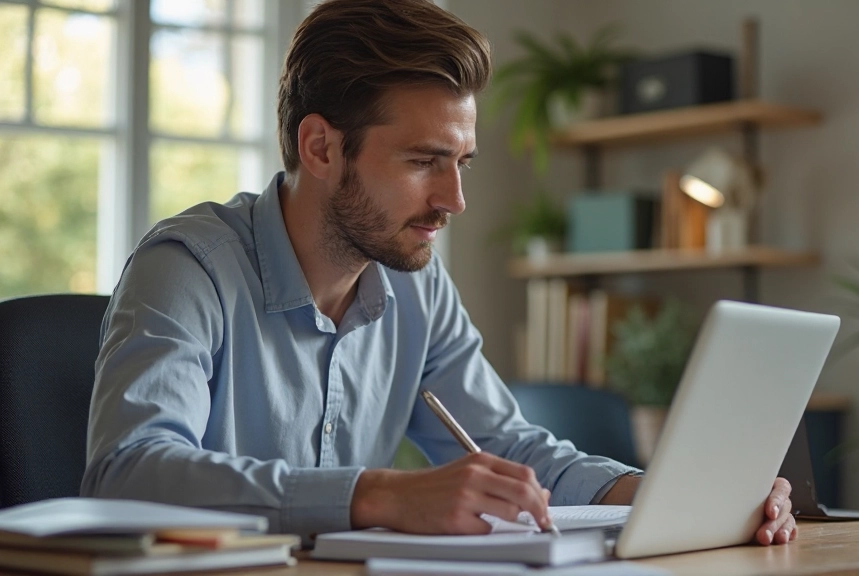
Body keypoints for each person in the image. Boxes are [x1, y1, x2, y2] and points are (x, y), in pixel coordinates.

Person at [81, 0, 796, 546]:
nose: (454, 200)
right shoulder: (188, 268)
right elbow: (128, 472)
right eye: (424, 161)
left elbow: (509, 448)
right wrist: (381, 495)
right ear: (321, 147)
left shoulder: (414, 281)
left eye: (462, 164)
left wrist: (665, 495)